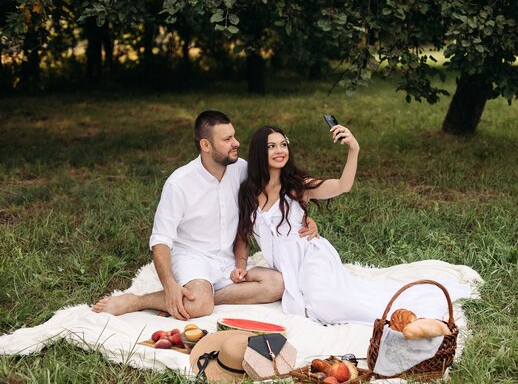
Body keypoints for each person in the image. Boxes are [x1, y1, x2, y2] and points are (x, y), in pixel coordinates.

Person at [231, 124, 471, 325]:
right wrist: (241, 264)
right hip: (285, 270)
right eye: (271, 146)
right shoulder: (248, 192)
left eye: (283, 144)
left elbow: (342, 186)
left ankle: (399, 320)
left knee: (324, 308)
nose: (280, 150)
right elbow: (243, 235)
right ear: (259, 152)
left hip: (312, 257)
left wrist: (353, 150)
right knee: (305, 308)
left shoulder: (297, 186)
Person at [92, 111, 318, 320]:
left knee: (278, 284)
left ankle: (202, 297)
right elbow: (160, 240)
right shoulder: (179, 183)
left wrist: (303, 218)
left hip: (228, 261)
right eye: (227, 139)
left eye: (234, 136)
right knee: (199, 306)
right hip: (192, 258)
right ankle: (139, 301)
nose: (236, 143)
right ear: (206, 145)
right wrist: (170, 286)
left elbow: (277, 193)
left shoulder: (242, 169)